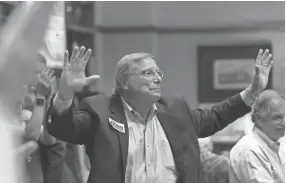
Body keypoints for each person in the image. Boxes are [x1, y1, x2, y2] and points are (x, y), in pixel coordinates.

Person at [47, 46, 273, 183]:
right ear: (124, 82)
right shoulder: (100, 110)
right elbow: (63, 129)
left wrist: (253, 92)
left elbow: (213, 118)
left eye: (158, 72)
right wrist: (65, 93)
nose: (158, 78)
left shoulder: (175, 110)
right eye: (148, 73)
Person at [229, 90, 285, 183]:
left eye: (284, 117)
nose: (284, 122)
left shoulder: (277, 144)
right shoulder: (249, 150)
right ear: (259, 119)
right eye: (277, 118)